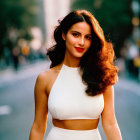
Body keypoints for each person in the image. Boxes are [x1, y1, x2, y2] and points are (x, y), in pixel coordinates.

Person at [29, 9, 122, 140]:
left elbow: (110, 124)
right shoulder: (45, 79)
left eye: (88, 37)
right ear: (64, 35)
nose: (81, 42)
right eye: (76, 34)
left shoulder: (102, 75)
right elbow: (38, 127)